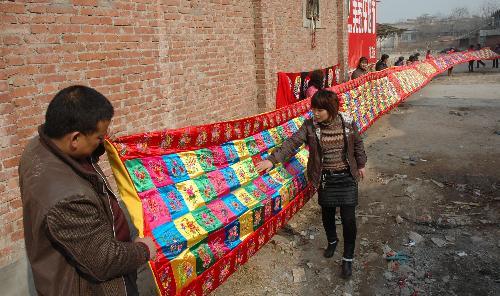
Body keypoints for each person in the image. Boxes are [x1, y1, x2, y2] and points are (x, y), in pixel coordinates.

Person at [19, 85, 157, 295]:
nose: (104, 139)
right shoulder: (67, 199)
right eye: (100, 138)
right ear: (75, 138)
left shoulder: (41, 145)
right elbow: (105, 261)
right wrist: (143, 250)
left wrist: (101, 144)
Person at [256, 89, 367, 279]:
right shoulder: (310, 126)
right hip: (325, 177)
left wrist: (361, 163)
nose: (314, 114)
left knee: (349, 219)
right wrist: (272, 160)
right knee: (327, 214)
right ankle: (332, 241)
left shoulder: (347, 122)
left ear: (331, 109)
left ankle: (348, 258)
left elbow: (357, 144)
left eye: (319, 110)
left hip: (347, 176)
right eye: (313, 109)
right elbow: (292, 144)